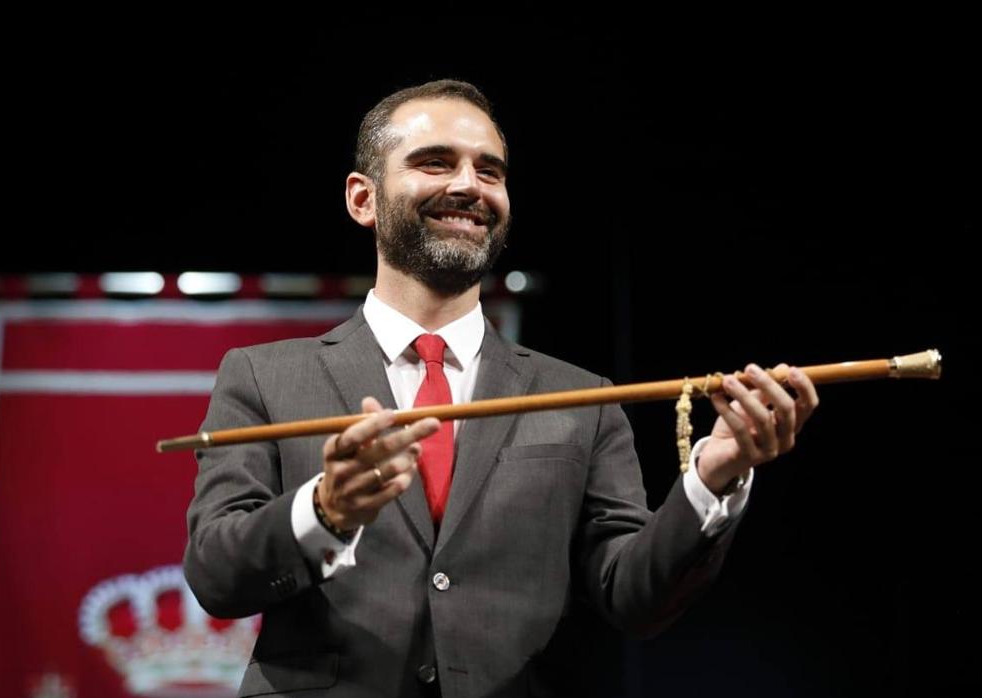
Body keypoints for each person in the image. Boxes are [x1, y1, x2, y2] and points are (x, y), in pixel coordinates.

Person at [183, 79, 819, 697]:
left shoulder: (583, 399)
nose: (468, 185)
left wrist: (715, 475)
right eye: (435, 162)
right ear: (362, 199)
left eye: (490, 171)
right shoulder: (264, 375)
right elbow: (216, 575)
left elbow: (634, 598)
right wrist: (324, 511)